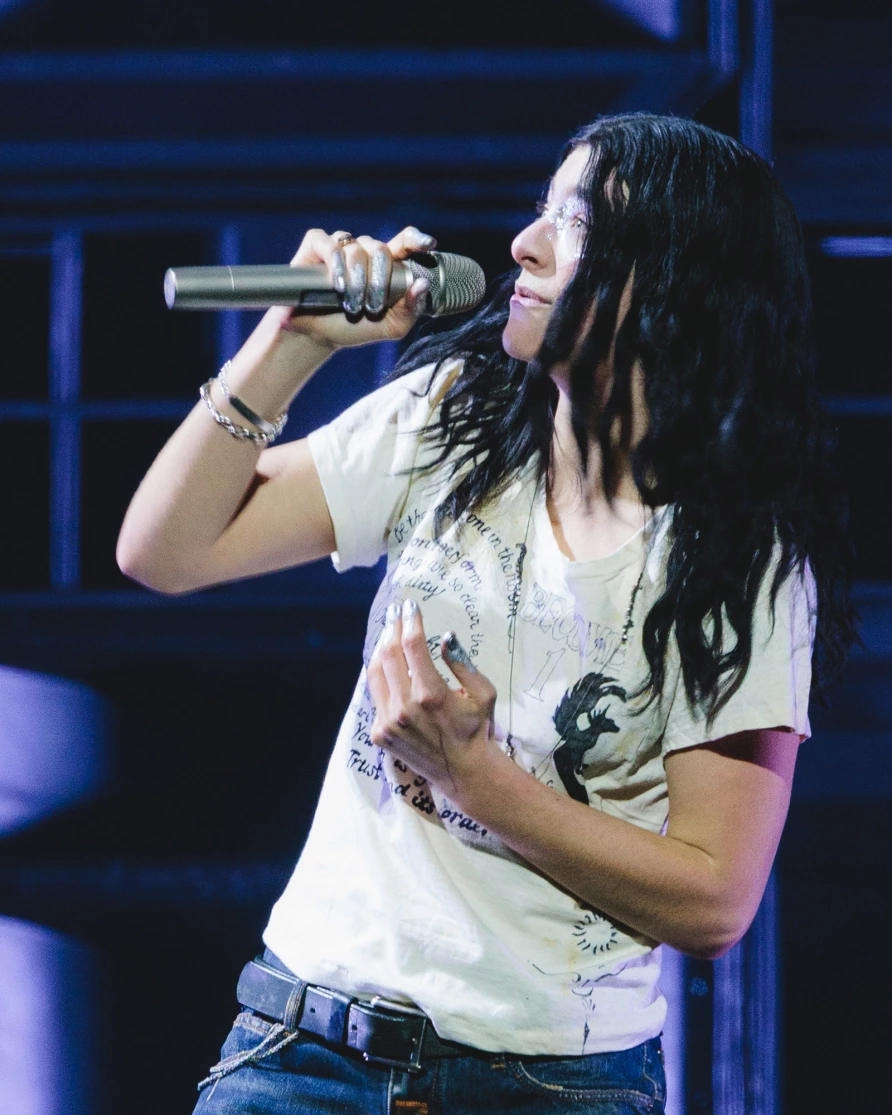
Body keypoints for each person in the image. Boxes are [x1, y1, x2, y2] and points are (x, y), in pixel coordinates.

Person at [117, 113, 856, 1115]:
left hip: (550, 1080)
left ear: (675, 284)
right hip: (307, 1043)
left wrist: (472, 776)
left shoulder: (739, 563)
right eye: (539, 211)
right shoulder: (453, 420)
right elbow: (165, 549)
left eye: (576, 221)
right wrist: (286, 349)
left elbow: (714, 897)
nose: (525, 243)